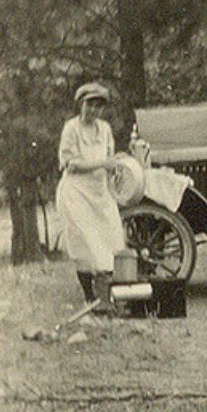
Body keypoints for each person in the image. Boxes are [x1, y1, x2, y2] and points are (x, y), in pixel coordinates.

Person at [56, 82, 125, 312]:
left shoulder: (104, 129)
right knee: (84, 243)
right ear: (81, 104)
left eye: (98, 106)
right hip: (76, 192)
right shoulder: (71, 129)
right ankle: (89, 298)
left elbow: (109, 158)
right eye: (89, 104)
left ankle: (104, 299)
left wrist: (114, 167)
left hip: (100, 192)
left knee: (107, 241)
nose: (93, 110)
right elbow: (71, 164)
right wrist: (102, 163)